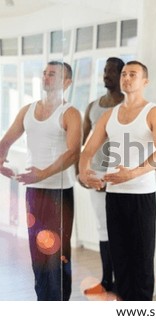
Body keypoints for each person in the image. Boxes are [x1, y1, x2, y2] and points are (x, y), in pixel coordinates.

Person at [78, 60, 156, 301]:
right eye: (124, 74)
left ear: (144, 81)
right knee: (120, 261)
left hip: (141, 197)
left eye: (133, 74)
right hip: (114, 197)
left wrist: (133, 173)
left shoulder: (154, 112)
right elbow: (88, 150)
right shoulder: (109, 115)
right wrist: (83, 170)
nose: (126, 78)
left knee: (141, 262)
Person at [0, 61, 81, 301]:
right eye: (45, 73)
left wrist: (42, 174)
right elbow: (5, 141)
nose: (46, 77)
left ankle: (58, 305)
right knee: (37, 253)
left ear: (66, 82)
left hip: (59, 193)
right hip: (33, 192)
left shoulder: (70, 113)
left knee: (57, 254)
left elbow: (73, 153)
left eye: (53, 74)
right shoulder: (27, 110)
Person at [80, 57, 125, 295]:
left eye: (111, 71)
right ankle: (107, 280)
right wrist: (83, 173)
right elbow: (83, 143)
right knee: (103, 229)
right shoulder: (93, 106)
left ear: (122, 75)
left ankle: (123, 281)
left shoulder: (128, 106)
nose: (106, 75)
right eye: (105, 71)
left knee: (121, 230)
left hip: (121, 175)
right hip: (97, 174)